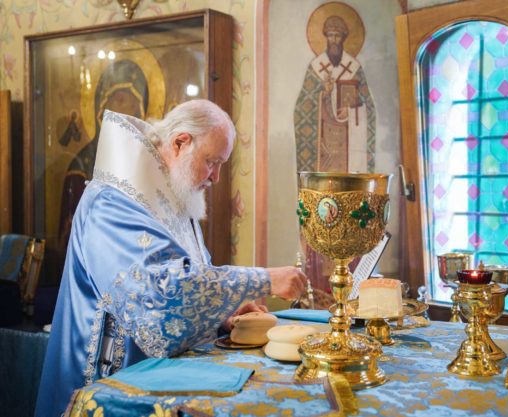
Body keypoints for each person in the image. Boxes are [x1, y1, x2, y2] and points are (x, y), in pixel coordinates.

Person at [35, 100, 307, 417]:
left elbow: (195, 278)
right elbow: (160, 298)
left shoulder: (174, 198)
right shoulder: (111, 203)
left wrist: (223, 312)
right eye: (212, 162)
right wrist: (264, 279)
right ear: (180, 142)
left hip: (160, 381)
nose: (216, 177)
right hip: (109, 386)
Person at [294, 14, 376, 174]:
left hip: (347, 137)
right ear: (325, 36)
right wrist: (324, 93)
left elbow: (369, 106)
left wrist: (351, 112)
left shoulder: (354, 68)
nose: (334, 40)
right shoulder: (315, 67)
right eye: (330, 35)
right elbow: (302, 107)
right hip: (324, 138)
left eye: (337, 35)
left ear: (344, 38)